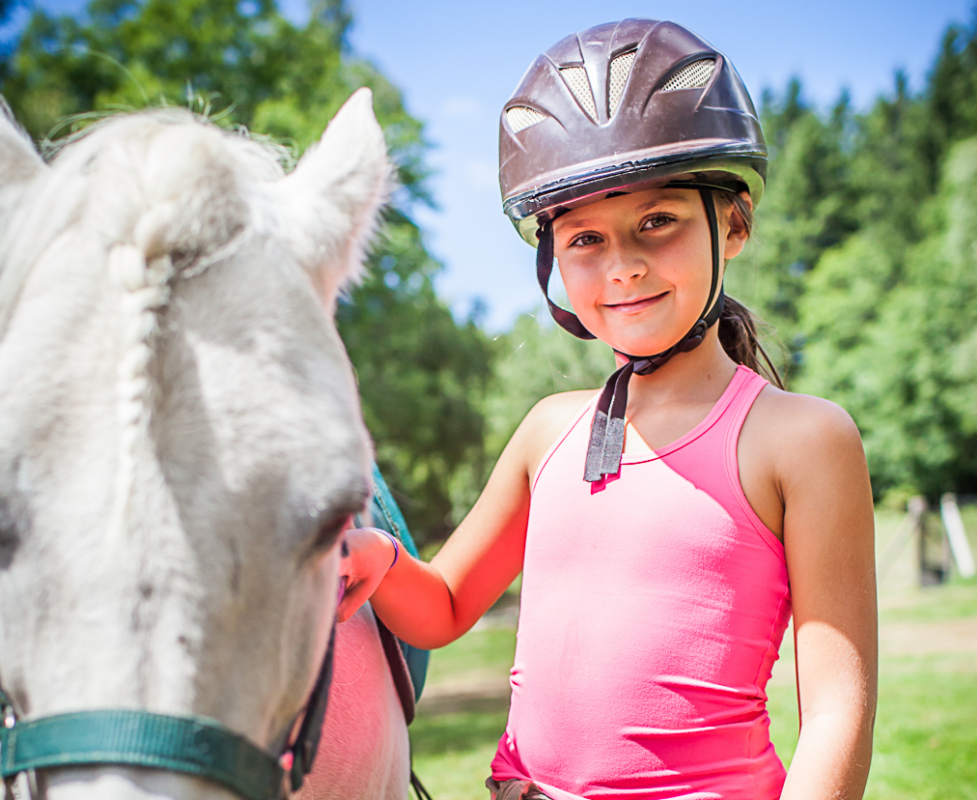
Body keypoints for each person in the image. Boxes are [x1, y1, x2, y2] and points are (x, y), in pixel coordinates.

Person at [338, 18, 877, 800]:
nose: (622, 266)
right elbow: (445, 607)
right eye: (584, 238)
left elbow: (835, 713)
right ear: (550, 255)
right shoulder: (548, 432)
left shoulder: (802, 439)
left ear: (733, 222)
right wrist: (374, 559)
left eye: (658, 222)